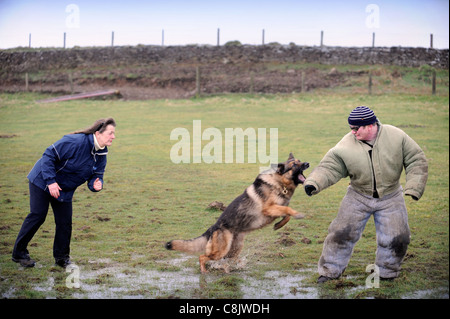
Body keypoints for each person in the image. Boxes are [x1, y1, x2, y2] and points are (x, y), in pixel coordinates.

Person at [304, 106, 428, 283]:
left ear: (370, 125)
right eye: (351, 128)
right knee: (340, 233)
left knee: (398, 237)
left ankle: (386, 273)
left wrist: (414, 187)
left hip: (391, 196)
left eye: (356, 128)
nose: (352, 132)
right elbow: (329, 167)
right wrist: (313, 182)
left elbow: (416, 159)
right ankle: (329, 272)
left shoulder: (397, 136)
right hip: (358, 196)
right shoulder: (345, 146)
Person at [12, 118, 116, 268]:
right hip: (42, 180)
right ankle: (19, 253)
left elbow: (97, 175)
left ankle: (62, 258)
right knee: (38, 215)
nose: (113, 136)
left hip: (64, 188)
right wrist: (51, 181)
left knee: (64, 222)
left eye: (114, 133)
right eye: (110, 133)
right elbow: (48, 155)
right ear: (98, 133)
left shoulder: (102, 153)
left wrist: (96, 184)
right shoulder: (75, 142)